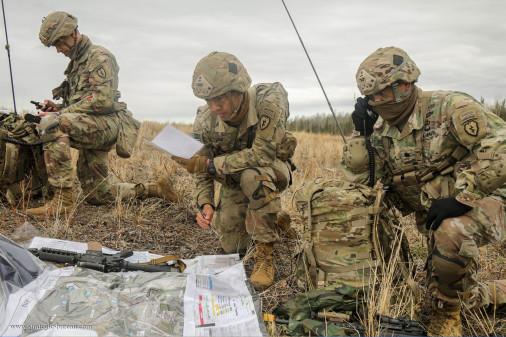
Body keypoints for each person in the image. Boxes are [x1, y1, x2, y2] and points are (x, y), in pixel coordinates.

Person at [342, 46, 506, 336]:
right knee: (450, 288)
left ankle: (449, 315)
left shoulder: (451, 106)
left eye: (381, 94)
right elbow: (361, 183)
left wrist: (462, 197)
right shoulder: (378, 126)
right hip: (434, 212)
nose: (375, 102)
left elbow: (501, 146)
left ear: (404, 85)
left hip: (487, 198)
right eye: (370, 97)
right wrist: (361, 136)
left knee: (451, 235)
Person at [27, 12, 180, 219]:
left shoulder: (99, 57)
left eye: (60, 43)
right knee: (98, 195)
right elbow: (80, 103)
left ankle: (63, 202)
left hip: (106, 124)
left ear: (73, 33)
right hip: (90, 123)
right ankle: (156, 189)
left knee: (51, 124)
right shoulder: (75, 64)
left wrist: (60, 115)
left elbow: (102, 101)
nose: (58, 50)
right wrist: (57, 107)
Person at [174, 51, 296, 290]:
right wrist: (205, 203)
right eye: (208, 100)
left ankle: (265, 252)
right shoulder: (206, 119)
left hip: (271, 171)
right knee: (233, 247)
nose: (214, 107)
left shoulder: (269, 100)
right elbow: (201, 168)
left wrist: (211, 165)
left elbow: (263, 154)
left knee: (252, 175)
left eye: (219, 99)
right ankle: (276, 219)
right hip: (235, 183)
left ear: (239, 90)